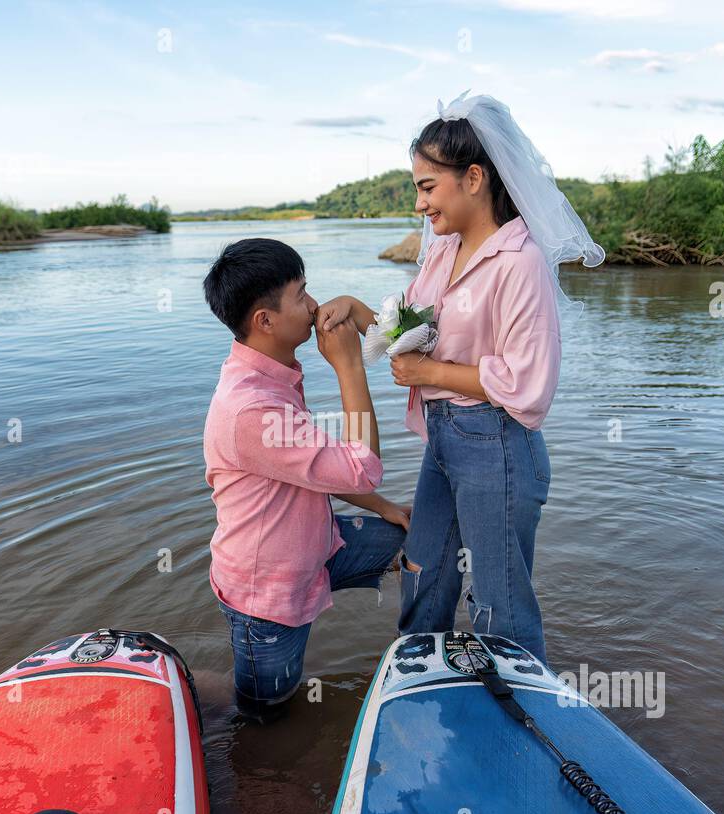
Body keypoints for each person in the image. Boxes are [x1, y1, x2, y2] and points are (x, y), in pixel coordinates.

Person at [323, 93, 604, 665]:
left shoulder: (518, 260)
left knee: (500, 604)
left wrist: (428, 373)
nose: (420, 203)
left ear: (473, 177)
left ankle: (525, 720)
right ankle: (417, 684)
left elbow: (530, 382)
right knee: (425, 572)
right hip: (445, 438)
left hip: (498, 443)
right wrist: (361, 313)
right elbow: (418, 330)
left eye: (428, 186)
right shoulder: (443, 249)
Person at [202, 238, 409, 716]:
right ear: (265, 321)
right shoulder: (251, 408)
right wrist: (349, 363)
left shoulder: (268, 376)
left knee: (421, 540)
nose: (314, 305)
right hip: (268, 594)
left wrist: (385, 508)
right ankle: (208, 692)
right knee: (266, 714)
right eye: (301, 294)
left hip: (318, 549)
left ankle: (414, 664)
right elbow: (361, 467)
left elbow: (314, 470)